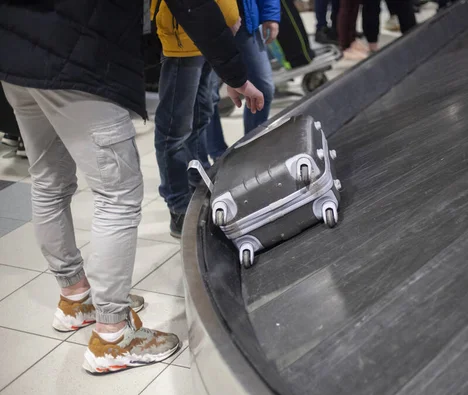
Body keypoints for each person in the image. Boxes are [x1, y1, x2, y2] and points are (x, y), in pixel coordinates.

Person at [0, 0, 263, 375]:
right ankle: (113, 336)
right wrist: (235, 73)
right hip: (80, 59)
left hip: (15, 53)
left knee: (49, 181)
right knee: (117, 195)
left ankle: (75, 298)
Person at [152, 0, 244, 238]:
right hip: (182, 39)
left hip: (212, 36)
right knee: (175, 128)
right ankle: (178, 205)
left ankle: (196, 182)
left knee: (203, 113)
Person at [207, 0, 281, 142]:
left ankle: (251, 144)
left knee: (263, 87)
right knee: (207, 98)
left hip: (244, 20)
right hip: (205, 25)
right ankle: (217, 155)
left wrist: (270, 14)